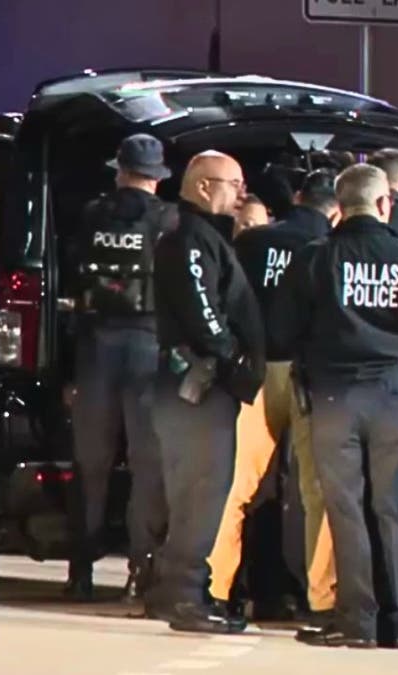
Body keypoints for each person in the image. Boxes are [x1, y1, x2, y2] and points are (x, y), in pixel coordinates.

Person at [273, 163, 398, 649]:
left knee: (346, 510)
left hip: (333, 398)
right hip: (394, 396)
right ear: (384, 203)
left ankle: (357, 620)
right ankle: (395, 622)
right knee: (389, 511)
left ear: (339, 206)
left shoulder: (315, 259)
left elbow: (283, 332)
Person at [207, 170, 340, 628]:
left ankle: (216, 589)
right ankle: (322, 599)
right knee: (316, 490)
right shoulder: (330, 250)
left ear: (297, 197)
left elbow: (226, 300)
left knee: (237, 485)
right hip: (309, 375)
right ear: (336, 209)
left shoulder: (254, 242)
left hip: (256, 371)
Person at [150, 151, 265, 632]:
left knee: (198, 492)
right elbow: (202, 310)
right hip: (197, 389)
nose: (241, 194)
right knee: (200, 493)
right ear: (202, 187)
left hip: (199, 389)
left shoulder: (200, 237)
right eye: (233, 183)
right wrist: (233, 357)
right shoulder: (190, 239)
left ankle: (180, 590)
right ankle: (185, 597)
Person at [64, 133, 173, 602]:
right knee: (148, 465)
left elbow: (73, 276)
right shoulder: (169, 219)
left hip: (96, 347)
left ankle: (80, 571)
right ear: (157, 177)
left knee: (91, 464)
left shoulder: (92, 215)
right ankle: (141, 570)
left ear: (119, 170)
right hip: (149, 347)